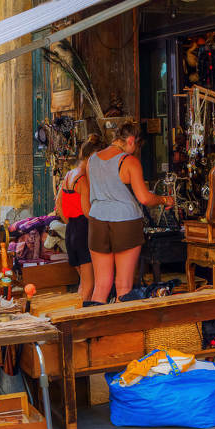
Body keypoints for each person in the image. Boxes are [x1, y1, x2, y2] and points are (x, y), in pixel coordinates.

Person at [86, 122, 175, 305]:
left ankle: (97, 331)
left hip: (97, 221)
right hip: (124, 222)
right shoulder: (129, 162)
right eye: (135, 147)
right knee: (124, 285)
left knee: (101, 285)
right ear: (131, 140)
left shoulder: (92, 160)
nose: (134, 151)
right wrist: (165, 200)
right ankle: (120, 332)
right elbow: (144, 198)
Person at [54, 134, 105, 303]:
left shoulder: (69, 175)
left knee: (83, 283)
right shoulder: (83, 179)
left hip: (71, 231)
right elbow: (87, 211)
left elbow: (58, 206)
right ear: (92, 156)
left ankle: (78, 314)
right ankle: (81, 320)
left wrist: (71, 223)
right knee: (89, 285)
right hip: (83, 230)